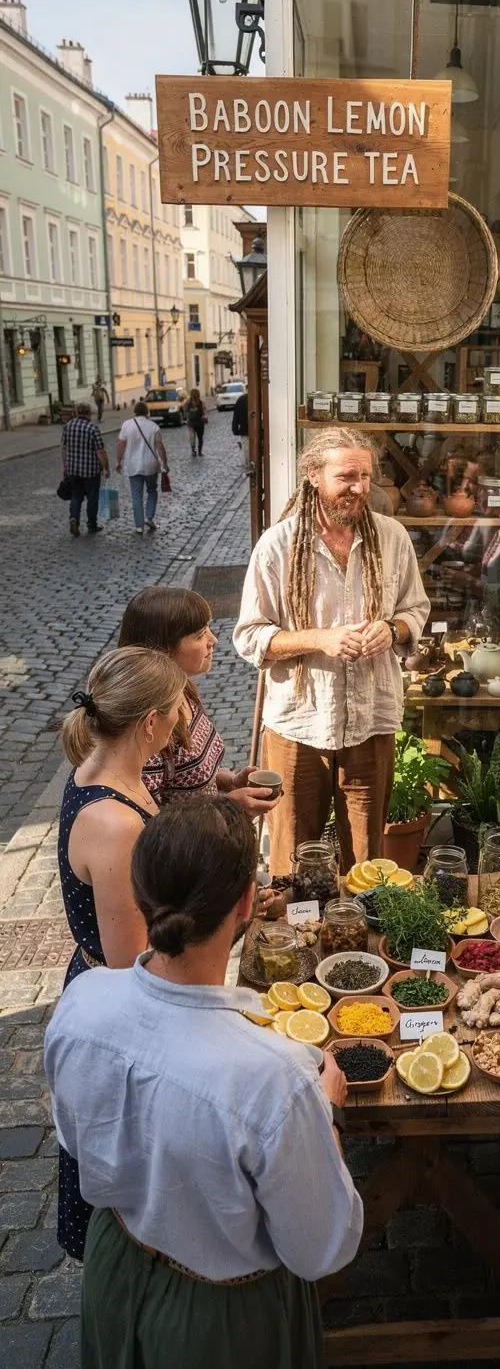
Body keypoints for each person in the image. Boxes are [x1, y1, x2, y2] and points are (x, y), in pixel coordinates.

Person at [44, 796, 363, 1369]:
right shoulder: (277, 1078)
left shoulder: (80, 1004)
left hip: (112, 1262)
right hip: (221, 1317)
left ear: (139, 892)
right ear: (247, 903)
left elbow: (77, 1136)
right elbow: (321, 1248)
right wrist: (330, 1116)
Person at [233, 425, 430, 873]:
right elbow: (249, 636)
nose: (359, 488)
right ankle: (295, 939)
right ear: (313, 476)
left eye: (366, 476)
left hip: (370, 721)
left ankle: (358, 937)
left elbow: (416, 609)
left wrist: (393, 630)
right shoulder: (278, 547)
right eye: (346, 477)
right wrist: (319, 638)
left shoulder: (392, 538)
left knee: (367, 861)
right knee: (293, 857)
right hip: (299, 725)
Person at [56, 645, 187, 1259]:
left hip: (106, 989)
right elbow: (130, 962)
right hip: (119, 1013)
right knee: (129, 1189)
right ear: (150, 724)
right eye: (178, 704)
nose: (186, 712)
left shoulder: (103, 770)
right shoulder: (113, 822)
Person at [119, 586, 283, 909]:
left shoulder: (184, 690)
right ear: (164, 649)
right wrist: (228, 811)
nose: (213, 640)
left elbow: (186, 777)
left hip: (205, 856)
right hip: (183, 884)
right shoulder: (152, 726)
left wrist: (228, 782)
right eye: (198, 634)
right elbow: (148, 828)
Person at [116, 400, 169, 535]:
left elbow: (121, 445)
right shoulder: (154, 426)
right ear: (147, 412)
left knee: (136, 495)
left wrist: (118, 461)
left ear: (135, 412)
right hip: (150, 464)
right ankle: (149, 517)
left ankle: (139, 526)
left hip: (132, 464)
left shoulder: (127, 425)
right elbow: (160, 447)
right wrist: (165, 464)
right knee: (152, 490)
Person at [61, 401, 110, 538]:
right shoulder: (92, 428)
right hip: (91, 471)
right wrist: (106, 467)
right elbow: (100, 451)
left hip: (73, 470)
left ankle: (74, 519)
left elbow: (64, 449)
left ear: (77, 412)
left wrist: (64, 467)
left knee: (76, 496)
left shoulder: (68, 427)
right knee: (92, 498)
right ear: (89, 413)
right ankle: (91, 525)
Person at [185, 386, 207, 457]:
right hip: (200, 423)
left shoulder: (187, 403)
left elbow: (185, 412)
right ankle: (200, 452)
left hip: (191, 423)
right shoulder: (201, 403)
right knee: (200, 437)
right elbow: (204, 412)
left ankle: (193, 451)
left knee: (192, 437)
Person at [232, 387, 250, 469]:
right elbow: (236, 415)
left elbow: (236, 416)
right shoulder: (241, 400)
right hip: (245, 428)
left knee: (246, 448)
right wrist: (235, 428)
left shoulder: (241, 399)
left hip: (245, 428)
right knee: (246, 448)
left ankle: (248, 463)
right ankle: (249, 464)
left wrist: (235, 428)